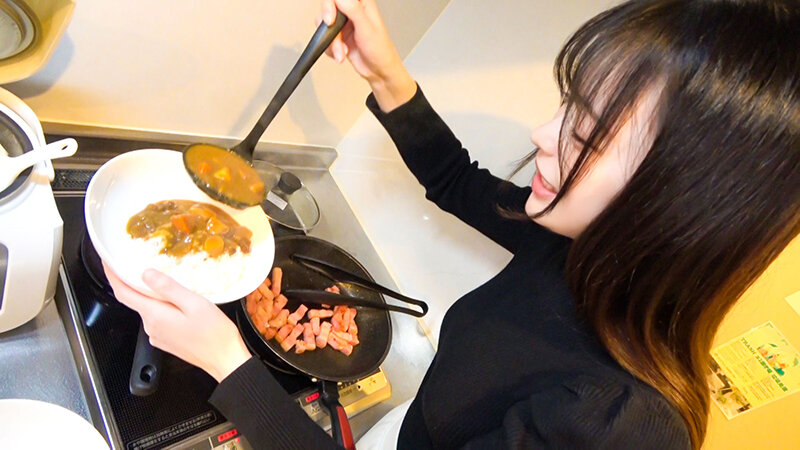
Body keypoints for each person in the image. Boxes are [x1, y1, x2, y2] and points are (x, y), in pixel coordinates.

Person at [103, 0, 800, 448]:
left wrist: (228, 363)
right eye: (568, 104)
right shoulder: (584, 252)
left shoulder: (615, 426)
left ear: (680, 203)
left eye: (586, 131)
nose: (544, 133)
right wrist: (387, 76)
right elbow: (458, 181)